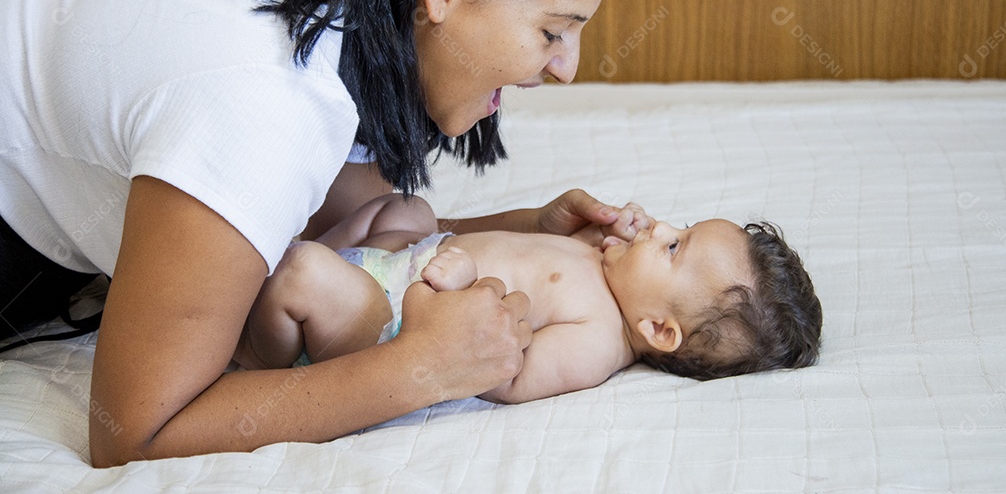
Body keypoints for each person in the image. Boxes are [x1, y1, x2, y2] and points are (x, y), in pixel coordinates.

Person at [0, 0, 626, 465]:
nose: (566, 67)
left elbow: (336, 227)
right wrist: (418, 371)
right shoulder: (262, 102)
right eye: (553, 30)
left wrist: (524, 228)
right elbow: (134, 433)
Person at [234, 195, 823, 403]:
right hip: (411, 257)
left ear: (659, 331)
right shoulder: (607, 269)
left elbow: (501, 373)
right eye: (681, 226)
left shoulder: (596, 341)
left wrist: (456, 288)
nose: (661, 225)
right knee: (405, 207)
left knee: (301, 272)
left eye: (674, 247)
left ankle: (252, 358)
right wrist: (609, 239)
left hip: (390, 318)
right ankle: (306, 267)